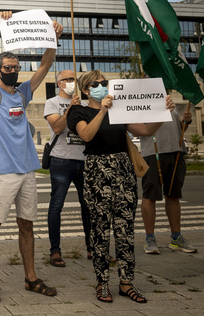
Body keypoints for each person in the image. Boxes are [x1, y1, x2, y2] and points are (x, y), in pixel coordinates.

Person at [67, 70, 173, 304]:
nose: (103, 86)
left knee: (124, 229)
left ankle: (126, 282)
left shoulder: (119, 109)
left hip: (123, 170)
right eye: (96, 84)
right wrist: (103, 110)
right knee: (101, 230)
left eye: (104, 83)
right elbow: (86, 135)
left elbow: (145, 130)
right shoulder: (78, 111)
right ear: (86, 90)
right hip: (97, 172)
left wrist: (164, 112)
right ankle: (102, 282)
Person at [0, 11, 62, 303]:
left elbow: (45, 65)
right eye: (8, 67)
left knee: (26, 224)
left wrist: (52, 39)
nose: (12, 70)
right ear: (0, 70)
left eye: (15, 66)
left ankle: (31, 278)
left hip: (27, 170)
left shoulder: (24, 92)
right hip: (2, 172)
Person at [43, 69, 91, 267]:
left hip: (85, 159)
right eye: (68, 79)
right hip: (61, 160)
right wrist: (70, 108)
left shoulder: (87, 103)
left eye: (74, 79)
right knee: (56, 205)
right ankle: (55, 251)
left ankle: (92, 247)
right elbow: (57, 127)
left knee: (88, 206)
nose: (72, 82)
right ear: (60, 83)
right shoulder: (52, 103)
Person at [140, 106, 197, 255]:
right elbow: (137, 129)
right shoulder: (142, 102)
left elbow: (178, 129)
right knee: (150, 195)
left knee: (173, 195)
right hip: (153, 153)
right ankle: (150, 239)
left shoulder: (169, 102)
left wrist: (186, 121)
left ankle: (176, 238)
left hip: (176, 152)